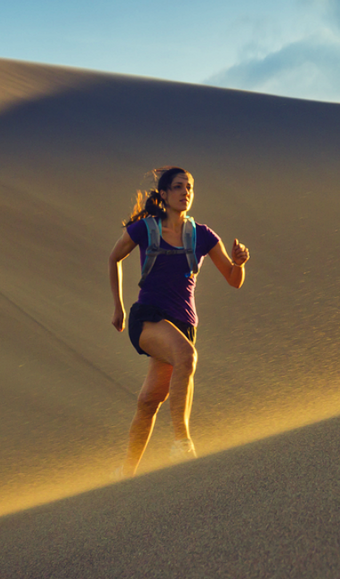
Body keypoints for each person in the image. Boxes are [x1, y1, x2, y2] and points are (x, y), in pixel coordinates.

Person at [108, 166, 249, 476]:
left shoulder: (202, 235)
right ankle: (182, 444)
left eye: (190, 187)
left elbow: (233, 280)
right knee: (186, 356)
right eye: (178, 187)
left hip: (183, 326)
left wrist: (239, 264)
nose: (186, 192)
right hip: (147, 319)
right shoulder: (145, 229)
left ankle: (125, 474)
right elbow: (114, 257)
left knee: (149, 401)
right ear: (163, 194)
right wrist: (118, 307)